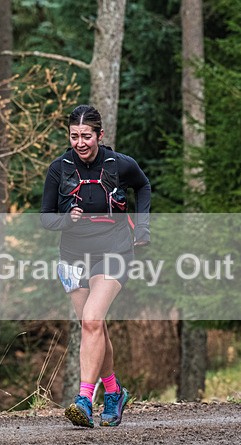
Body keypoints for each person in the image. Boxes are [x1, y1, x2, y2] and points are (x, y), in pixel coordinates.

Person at [40, 104, 151, 428]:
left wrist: (142, 228)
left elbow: (143, 185)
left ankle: (84, 399)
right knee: (94, 326)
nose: (80, 142)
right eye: (74, 136)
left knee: (91, 320)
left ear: (100, 135)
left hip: (114, 251)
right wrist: (66, 219)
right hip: (73, 257)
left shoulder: (120, 164)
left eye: (86, 136)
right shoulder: (58, 169)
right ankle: (114, 392)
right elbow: (46, 218)